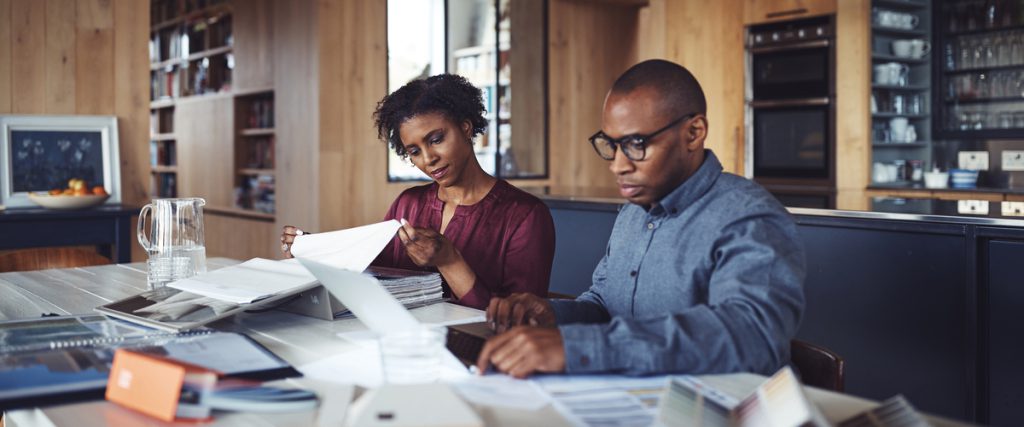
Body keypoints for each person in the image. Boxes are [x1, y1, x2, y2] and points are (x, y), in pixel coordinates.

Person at [476, 60, 806, 378]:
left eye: (636, 144)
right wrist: (551, 315)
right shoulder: (634, 212)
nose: (618, 165)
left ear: (693, 133)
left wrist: (580, 347)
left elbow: (752, 338)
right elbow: (606, 306)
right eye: (611, 145)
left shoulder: (748, 218)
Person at [280, 74, 555, 310]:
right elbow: (373, 277)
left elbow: (522, 323)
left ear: (465, 127)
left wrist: (450, 260)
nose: (428, 159)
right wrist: (318, 250)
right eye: (414, 151)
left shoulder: (525, 216)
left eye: (436, 140)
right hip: (406, 345)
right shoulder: (407, 205)